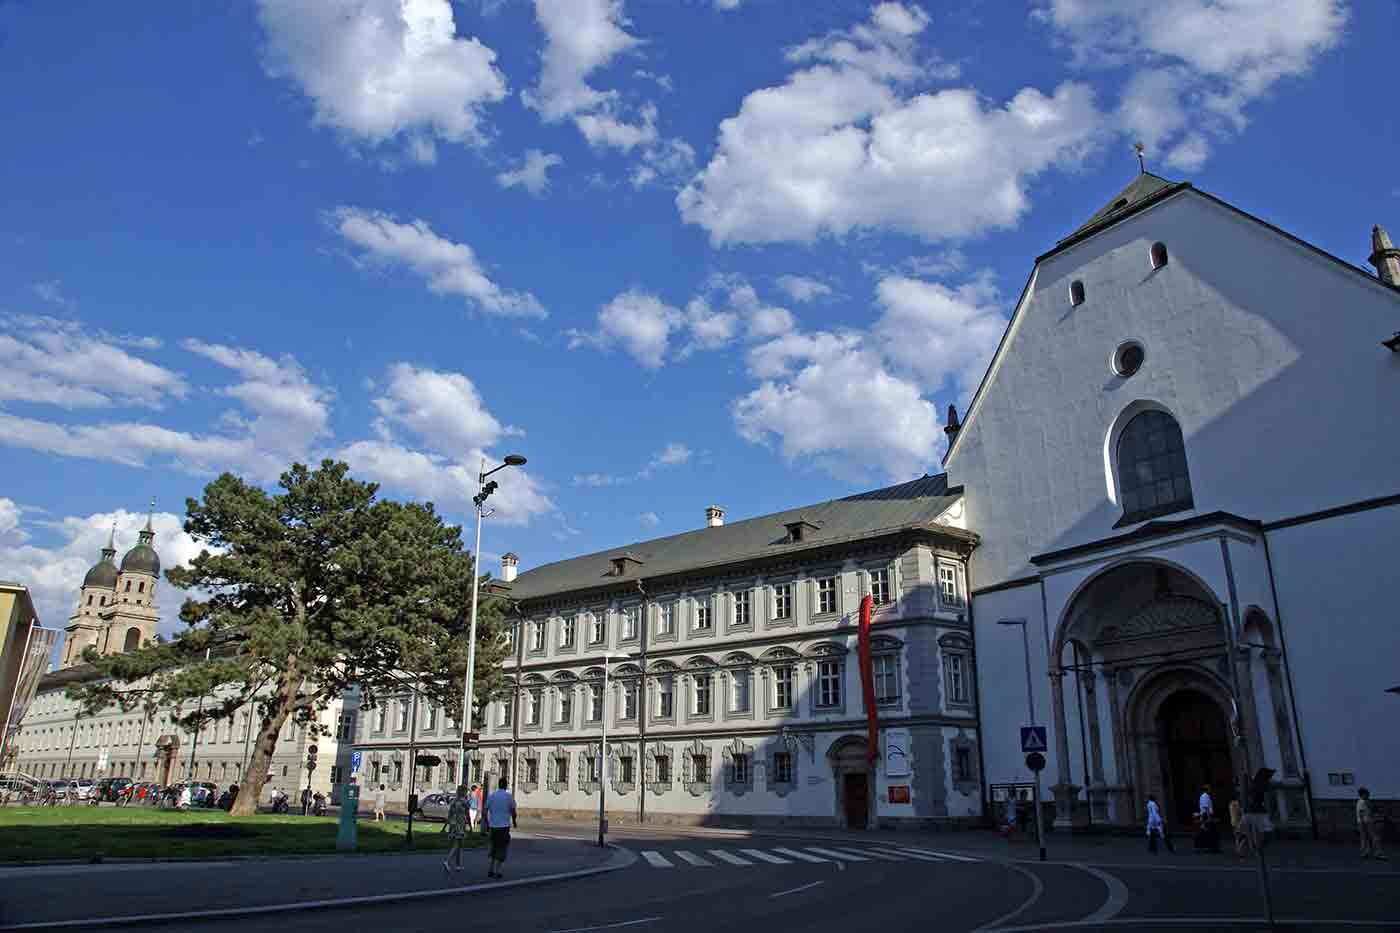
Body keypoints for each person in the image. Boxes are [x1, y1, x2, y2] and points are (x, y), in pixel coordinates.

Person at [483, 777, 517, 880]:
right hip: (504, 827)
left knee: (493, 848)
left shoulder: (492, 796)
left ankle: (490, 869)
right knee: (502, 849)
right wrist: (514, 821)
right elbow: (513, 811)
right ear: (506, 785)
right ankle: (497, 871)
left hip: (493, 826)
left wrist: (488, 823)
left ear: (499, 784)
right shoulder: (508, 797)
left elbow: (485, 812)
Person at [442, 785, 470, 874]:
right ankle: (447, 861)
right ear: (463, 792)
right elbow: (467, 814)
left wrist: (444, 827)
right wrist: (470, 826)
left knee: (459, 845)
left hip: (453, 825)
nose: (467, 793)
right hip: (460, 825)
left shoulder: (454, 801)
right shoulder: (464, 802)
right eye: (466, 791)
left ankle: (458, 865)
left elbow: (449, 814)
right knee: (457, 845)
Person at [1358, 787, 1386, 861]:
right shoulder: (1362, 802)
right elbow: (1361, 814)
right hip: (1366, 822)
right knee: (1374, 837)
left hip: (1364, 822)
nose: (1368, 795)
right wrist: (1363, 823)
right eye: (1367, 794)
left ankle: (1366, 852)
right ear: (1363, 794)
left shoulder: (1362, 801)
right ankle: (1378, 853)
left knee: (1366, 838)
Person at [1195, 785, 1220, 854]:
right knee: (1208, 832)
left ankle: (1208, 847)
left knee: (1206, 832)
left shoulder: (1205, 796)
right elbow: (1206, 808)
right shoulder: (1205, 796)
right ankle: (1210, 848)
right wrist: (1209, 818)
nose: (1210, 790)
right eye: (1209, 789)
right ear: (1207, 789)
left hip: (1206, 815)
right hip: (1206, 815)